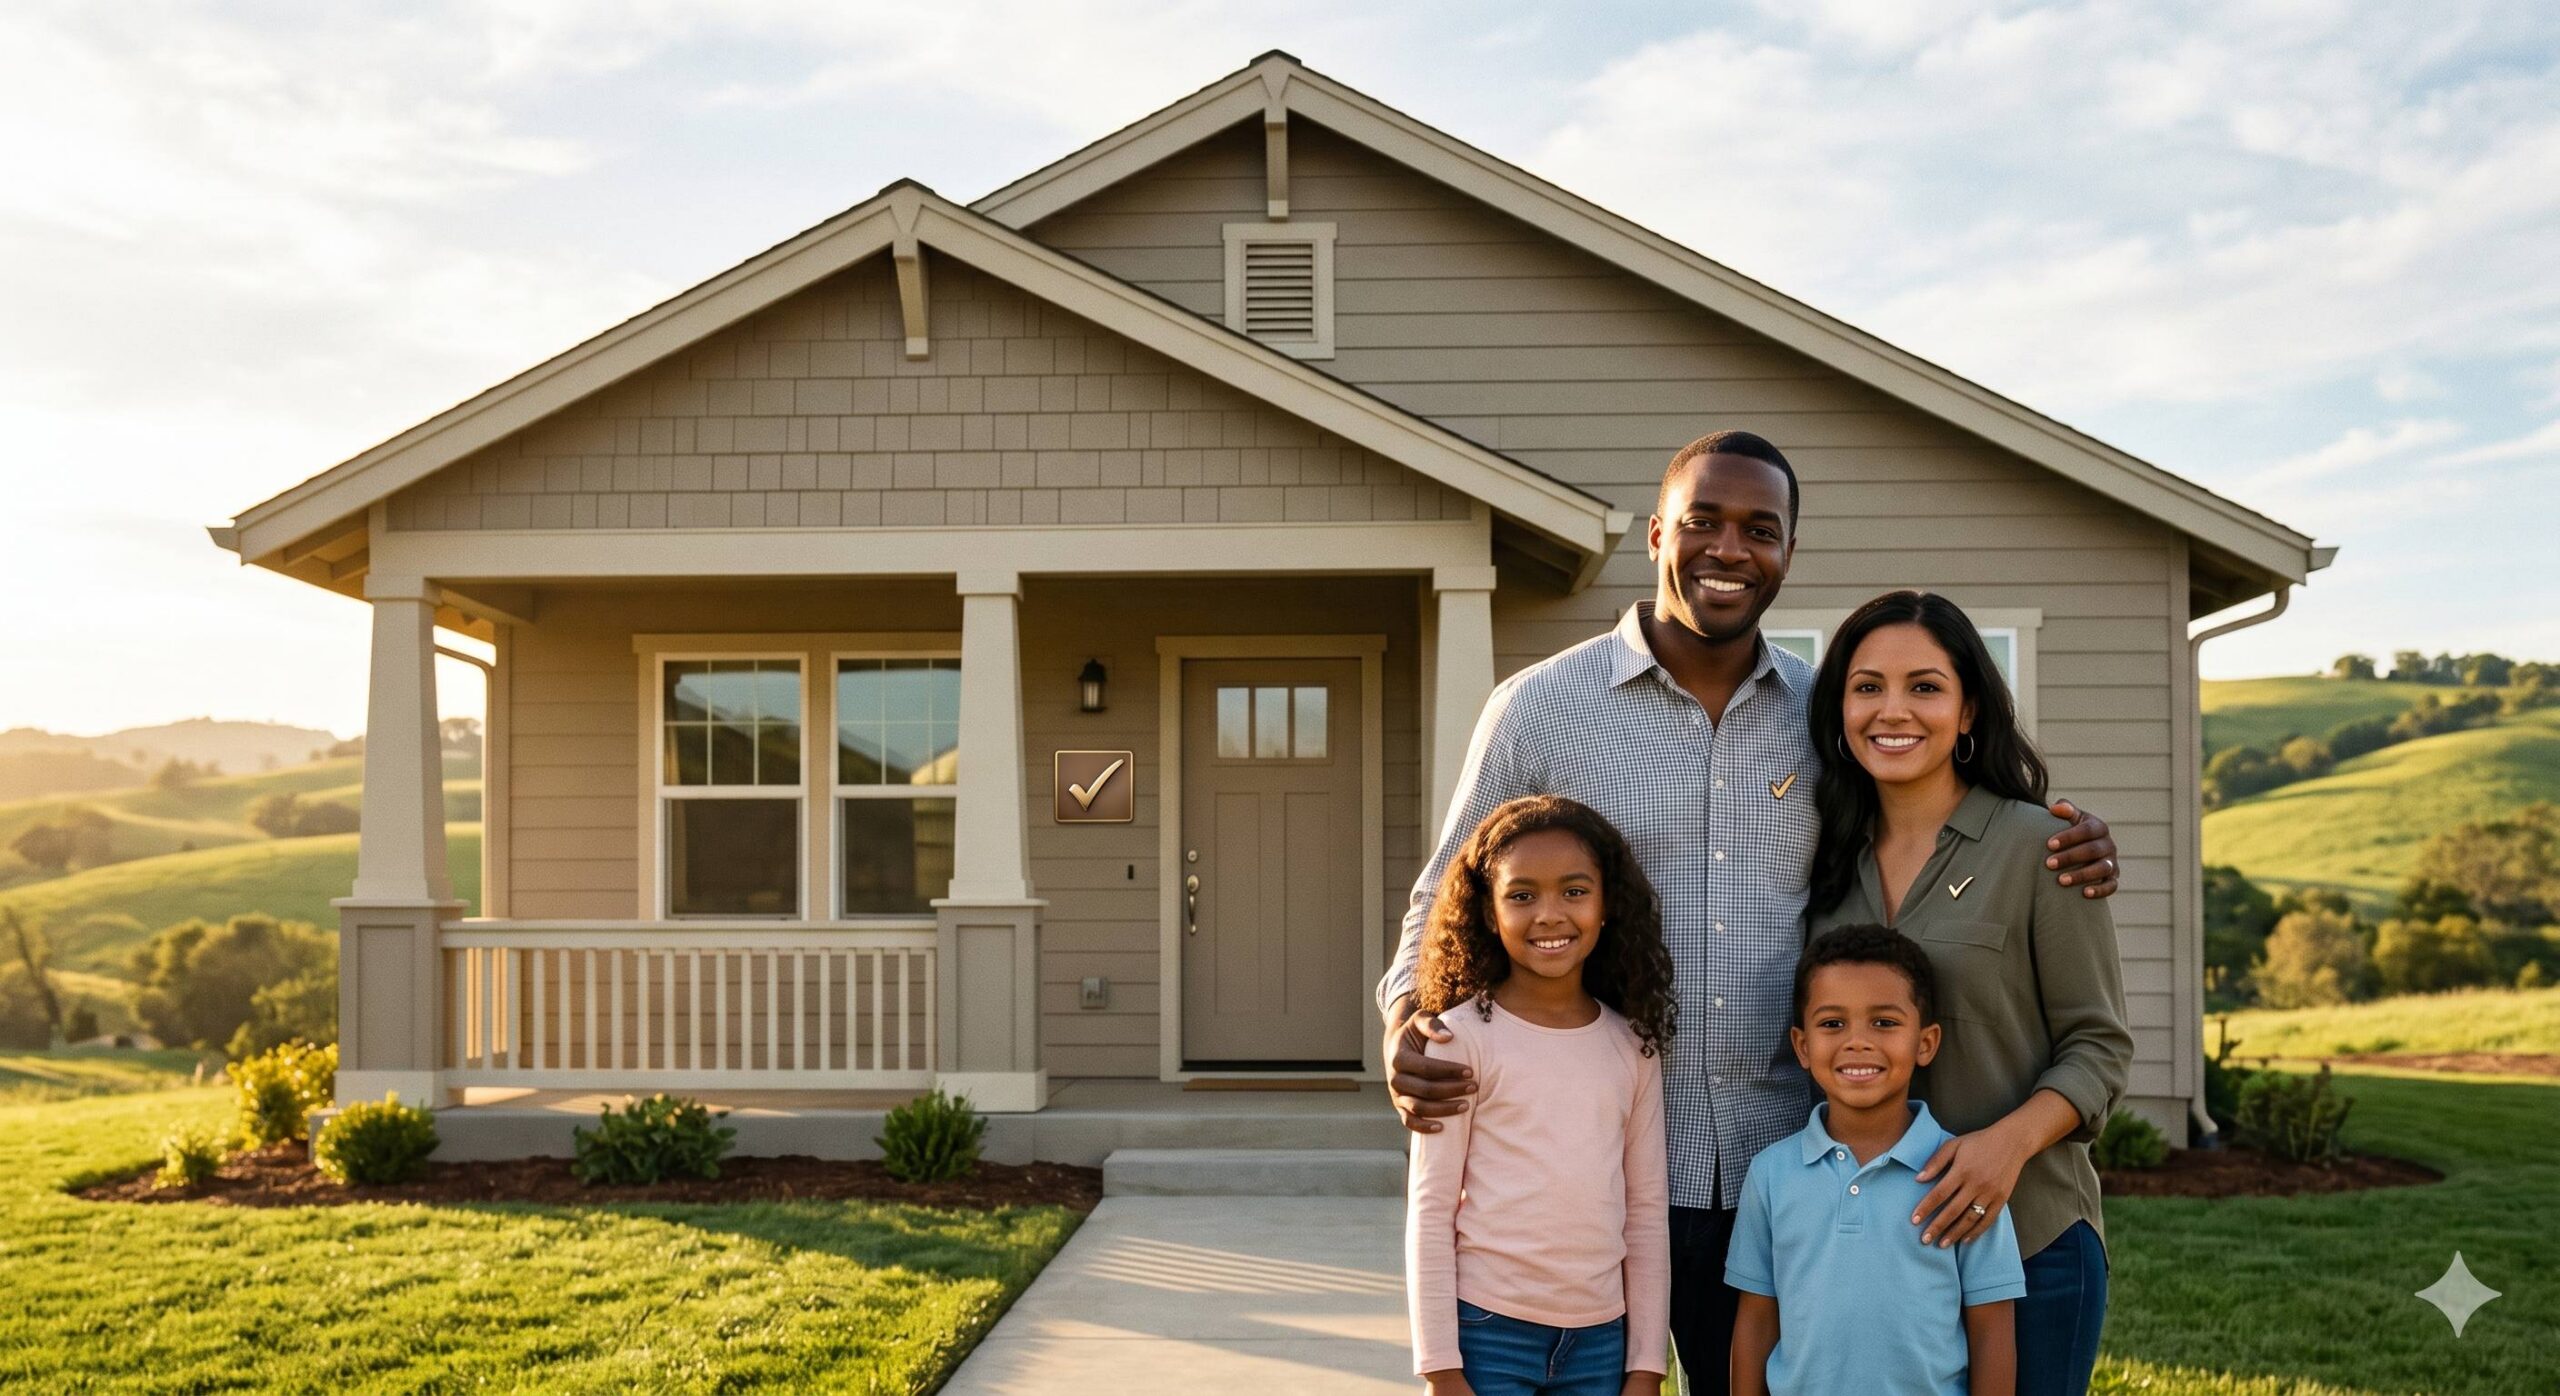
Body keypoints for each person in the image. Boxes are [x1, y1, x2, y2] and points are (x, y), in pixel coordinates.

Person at [1381, 430, 2123, 1391]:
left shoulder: (1828, 718)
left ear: (1787, 553)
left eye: (1759, 529)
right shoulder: (1540, 708)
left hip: (1804, 1175)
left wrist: (2066, 833)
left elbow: (1935, 812)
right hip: (1623, 1179)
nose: (1729, 549)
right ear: (1657, 534)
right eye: (1703, 522)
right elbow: (1446, 891)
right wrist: (1409, 1018)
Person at [1805, 590, 2132, 1395]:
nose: (1893, 711)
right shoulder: (1821, 865)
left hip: (2030, 1245)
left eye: (1925, 687)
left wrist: (2005, 1147)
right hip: (1870, 1259)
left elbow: (2099, 1046)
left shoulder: (2044, 847)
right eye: (1867, 686)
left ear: (1969, 709)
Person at [1404, 795, 1675, 1396]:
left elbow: (1646, 1214)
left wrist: (1646, 1365)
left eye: (1574, 891)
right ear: (1488, 910)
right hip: (1487, 1333)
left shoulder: (1634, 1048)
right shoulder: (1460, 1040)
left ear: (1607, 905)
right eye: (1522, 895)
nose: (1549, 914)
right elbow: (1430, 1210)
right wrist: (1441, 1366)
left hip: (1601, 1341)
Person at [1726, 924, 2024, 1396]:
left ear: (1925, 1042)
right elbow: (1757, 1323)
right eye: (1832, 1024)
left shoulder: (1964, 1175)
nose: (1857, 1042)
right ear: (1803, 1047)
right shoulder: (1770, 1175)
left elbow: (1991, 1328)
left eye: (1884, 1023)